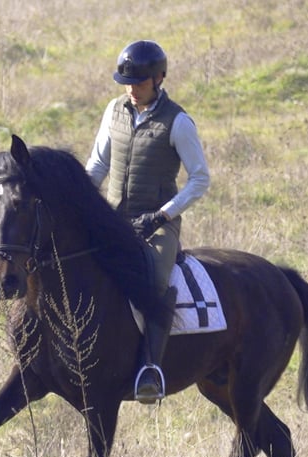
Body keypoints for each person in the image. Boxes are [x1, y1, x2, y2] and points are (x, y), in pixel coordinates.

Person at [86, 40, 210, 403]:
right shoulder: (114, 111)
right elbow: (97, 165)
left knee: (153, 279)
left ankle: (150, 369)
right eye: (126, 82)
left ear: (158, 79)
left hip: (158, 224)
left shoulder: (179, 122)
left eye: (138, 83)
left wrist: (162, 214)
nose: (131, 89)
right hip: (113, 219)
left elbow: (200, 179)